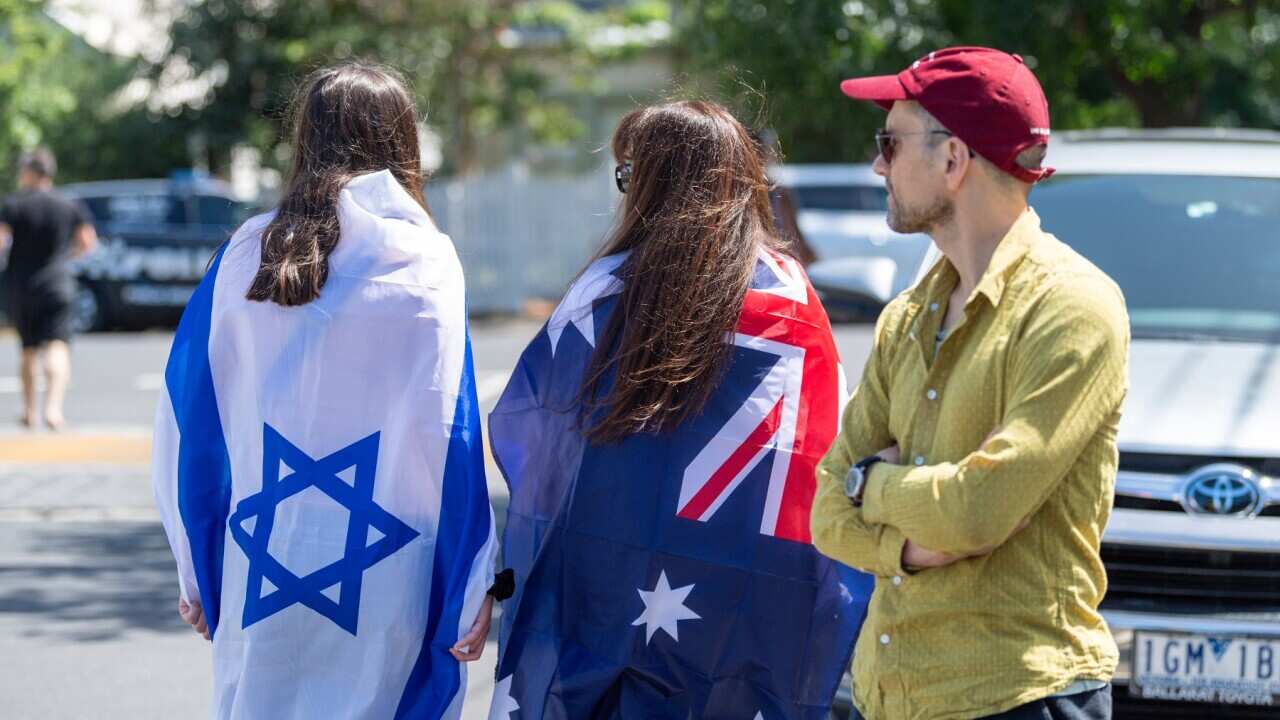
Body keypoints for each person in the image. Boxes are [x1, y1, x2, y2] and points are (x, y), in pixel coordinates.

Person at [487, 100, 869, 719]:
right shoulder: (794, 298)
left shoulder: (604, 293)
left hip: (605, 587)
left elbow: (537, 434)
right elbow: (823, 450)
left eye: (627, 176)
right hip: (749, 596)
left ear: (648, 185)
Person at [151, 62, 498, 718]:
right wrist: (472, 580)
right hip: (389, 574)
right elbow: (450, 438)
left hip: (261, 563)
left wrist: (195, 562)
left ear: (304, 137)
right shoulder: (424, 264)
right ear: (401, 142)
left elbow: (188, 417)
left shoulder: (245, 254)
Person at [810, 47, 1129, 720]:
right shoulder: (905, 316)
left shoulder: (1072, 307)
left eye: (889, 143)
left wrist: (872, 484)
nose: (877, 165)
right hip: (891, 696)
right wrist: (911, 544)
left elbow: (977, 512)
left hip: (1020, 700)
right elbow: (823, 513)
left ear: (953, 160)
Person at [0, 147, 97, 430]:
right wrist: (68, 257)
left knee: (28, 350)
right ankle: (54, 409)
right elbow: (87, 242)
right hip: (58, 284)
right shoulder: (69, 205)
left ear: (30, 173)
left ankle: (30, 411)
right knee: (58, 346)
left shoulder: (13, 205)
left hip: (21, 286)